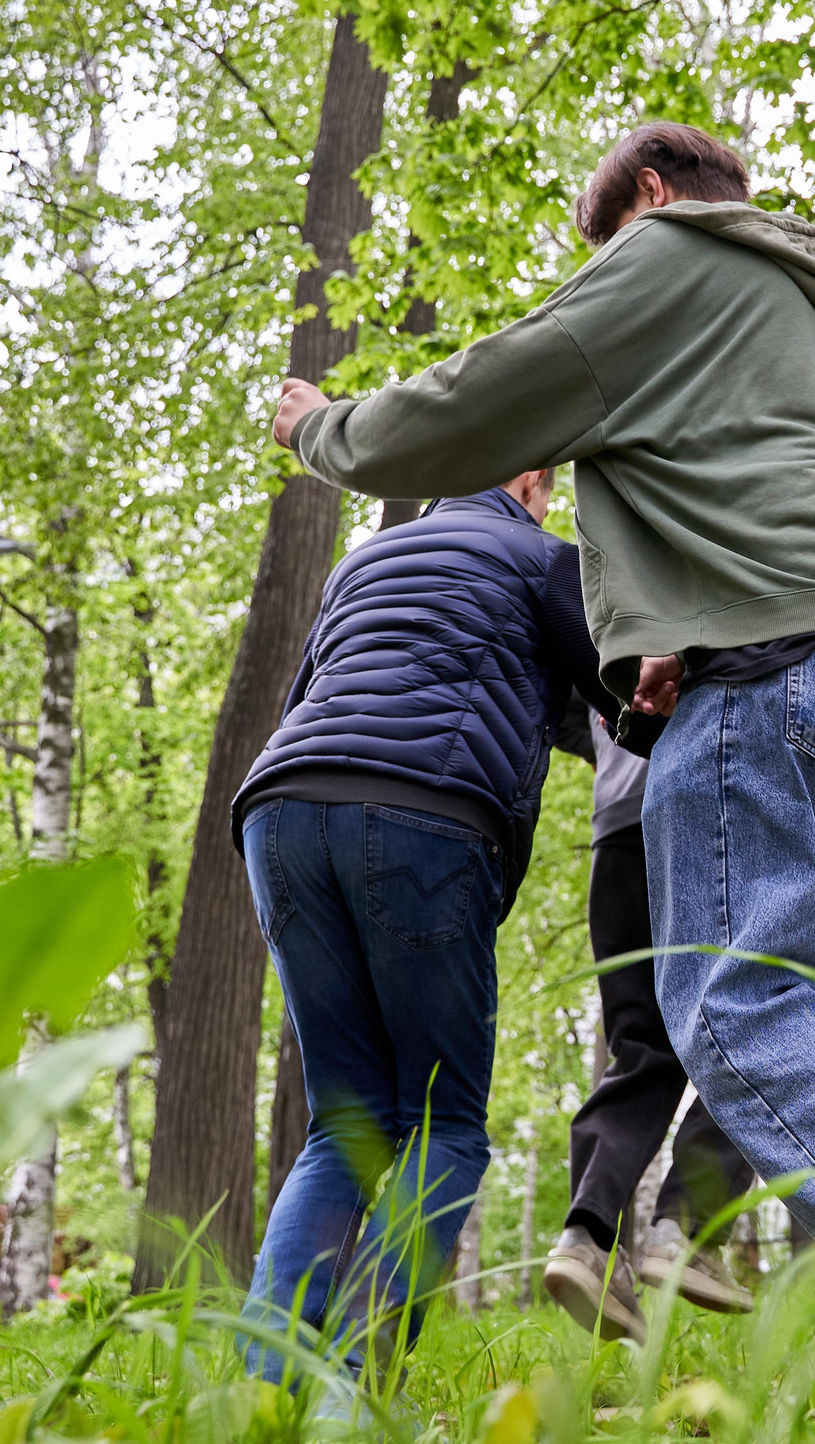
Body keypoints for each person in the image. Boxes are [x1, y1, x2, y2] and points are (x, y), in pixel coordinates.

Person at [270, 123, 815, 1373]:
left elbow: (469, 407)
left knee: (734, 1002)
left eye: (600, 243)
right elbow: (754, 478)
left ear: (653, 198)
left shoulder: (663, 254)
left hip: (776, 659)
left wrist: (320, 429)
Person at [231, 469, 620, 1385]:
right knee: (444, 1124)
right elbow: (620, 697)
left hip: (281, 813)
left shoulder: (361, 563)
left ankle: (260, 1386)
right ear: (529, 480)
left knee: (345, 1125)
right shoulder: (539, 558)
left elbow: (314, 700)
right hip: (426, 815)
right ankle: (350, 1387)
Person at [541, 707, 758, 1341]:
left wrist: (616, 740)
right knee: (751, 1023)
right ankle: (685, 1228)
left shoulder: (597, 612)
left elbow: (564, 714)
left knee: (639, 1048)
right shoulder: (706, 604)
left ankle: (586, 1237)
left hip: (616, 830)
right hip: (707, 809)